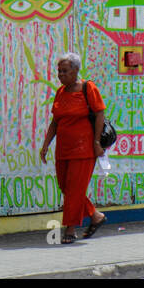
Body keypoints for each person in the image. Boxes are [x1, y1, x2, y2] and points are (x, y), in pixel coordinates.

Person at [39, 52, 107, 244]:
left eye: (65, 71)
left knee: (75, 190)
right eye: (59, 71)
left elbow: (100, 114)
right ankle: (95, 215)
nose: (61, 75)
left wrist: (96, 143)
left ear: (76, 70)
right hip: (63, 149)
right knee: (66, 187)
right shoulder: (61, 92)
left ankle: (70, 229)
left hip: (83, 150)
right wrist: (45, 144)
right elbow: (55, 121)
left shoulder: (88, 88)